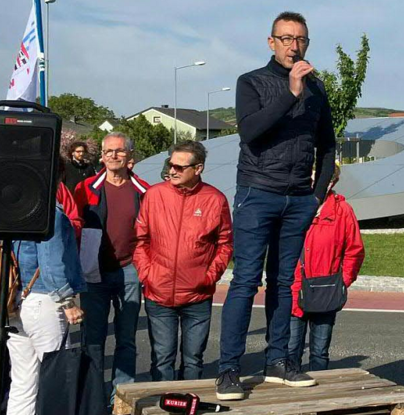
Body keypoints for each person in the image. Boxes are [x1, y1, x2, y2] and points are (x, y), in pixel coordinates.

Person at [216, 11, 337, 400]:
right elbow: (250, 131)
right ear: (272, 42)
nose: (293, 46)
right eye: (286, 38)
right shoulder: (251, 82)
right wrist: (291, 91)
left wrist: (316, 196)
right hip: (257, 192)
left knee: (284, 282)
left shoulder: (317, 89)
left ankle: (278, 361)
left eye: (300, 39)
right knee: (246, 281)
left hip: (299, 198)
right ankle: (229, 369)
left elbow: (328, 145)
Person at [134, 141, 233, 381]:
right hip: (159, 292)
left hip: (197, 295)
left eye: (179, 167)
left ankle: (188, 398)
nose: (172, 171)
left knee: (193, 359)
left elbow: (225, 244)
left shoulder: (215, 199)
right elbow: (140, 240)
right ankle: (163, 400)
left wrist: (208, 277)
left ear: (198, 168)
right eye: (170, 165)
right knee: (162, 358)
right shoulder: (154, 195)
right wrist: (148, 274)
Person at [74, 132, 150, 405]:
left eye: (119, 151)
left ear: (130, 155)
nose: (113, 155)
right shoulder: (85, 188)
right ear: (102, 156)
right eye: (109, 151)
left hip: (130, 270)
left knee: (126, 339)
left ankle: (121, 398)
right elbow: (74, 226)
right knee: (93, 339)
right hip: (94, 272)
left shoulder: (144, 190)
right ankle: (93, 398)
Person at [6, 177, 87, 415]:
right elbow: (51, 264)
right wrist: (67, 302)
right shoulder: (51, 214)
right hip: (44, 300)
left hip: (14, 299)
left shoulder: (13, 211)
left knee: (22, 380)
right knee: (56, 378)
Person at [288, 163, 365, 372]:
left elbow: (354, 251)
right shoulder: (293, 205)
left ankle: (320, 387)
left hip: (326, 289)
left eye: (325, 179)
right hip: (295, 288)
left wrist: (343, 281)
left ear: (333, 182)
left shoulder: (343, 211)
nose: (318, 183)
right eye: (313, 177)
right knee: (291, 349)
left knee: (320, 351)